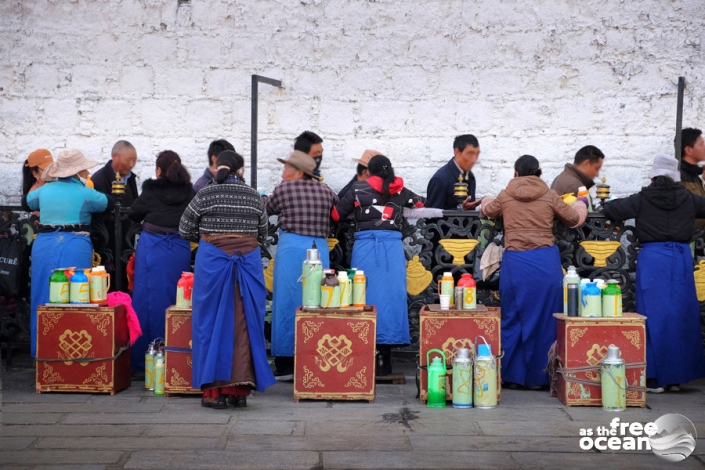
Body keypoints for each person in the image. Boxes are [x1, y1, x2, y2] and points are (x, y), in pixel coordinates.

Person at [179, 150, 275, 409]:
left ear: (217, 167)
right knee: (244, 323)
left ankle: (214, 394)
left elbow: (184, 229)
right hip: (247, 262)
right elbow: (263, 233)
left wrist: (212, 239)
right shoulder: (254, 196)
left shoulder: (205, 194)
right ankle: (239, 392)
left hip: (212, 263)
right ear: (240, 170)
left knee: (210, 323)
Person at [481, 155, 587, 388]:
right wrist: (582, 204)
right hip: (545, 264)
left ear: (516, 173)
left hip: (515, 263)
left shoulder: (506, 194)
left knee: (513, 317)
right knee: (545, 321)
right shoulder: (550, 195)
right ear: (539, 171)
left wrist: (484, 200)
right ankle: (541, 378)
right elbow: (573, 220)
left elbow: (488, 211)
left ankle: (512, 377)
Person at [602, 154, 705, 393]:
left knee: (651, 317)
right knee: (680, 316)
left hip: (653, 259)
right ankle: (676, 378)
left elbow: (612, 210)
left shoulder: (642, 198)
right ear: (676, 176)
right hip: (680, 258)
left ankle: (653, 377)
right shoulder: (688, 198)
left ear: (653, 174)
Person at [332, 155, 425, 375]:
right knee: (392, 298)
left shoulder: (357, 189)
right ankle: (385, 360)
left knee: (363, 294)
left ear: (368, 172)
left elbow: (336, 214)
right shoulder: (400, 190)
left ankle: (365, 355)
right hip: (392, 250)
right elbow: (420, 203)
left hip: (365, 248)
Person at [24, 149, 109, 357]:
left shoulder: (44, 190)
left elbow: (30, 201)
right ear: (78, 171)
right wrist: (85, 184)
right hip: (74, 243)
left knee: (42, 296)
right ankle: (74, 353)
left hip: (44, 244)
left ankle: (42, 354)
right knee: (76, 296)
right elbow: (106, 202)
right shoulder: (84, 192)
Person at [265, 150, 338, 380]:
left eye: (286, 168)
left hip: (292, 249)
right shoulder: (326, 190)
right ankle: (314, 356)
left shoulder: (283, 189)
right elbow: (336, 213)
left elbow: (266, 210)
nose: (283, 172)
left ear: (298, 171)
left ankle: (286, 363)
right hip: (319, 250)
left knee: (286, 302)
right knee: (315, 301)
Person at [128, 151, 195, 372]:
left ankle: (144, 360)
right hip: (178, 247)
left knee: (145, 301)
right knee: (177, 299)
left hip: (152, 248)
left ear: (158, 170)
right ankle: (174, 357)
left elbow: (135, 213)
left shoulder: (151, 189)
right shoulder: (189, 191)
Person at [426, 134, 482, 210]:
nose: (474, 159)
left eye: (476, 154)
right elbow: (431, 216)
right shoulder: (440, 179)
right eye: (470, 154)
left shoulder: (470, 176)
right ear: (457, 152)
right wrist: (460, 209)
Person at [92, 140, 139, 206]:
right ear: (115, 156)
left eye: (134, 160)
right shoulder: (99, 180)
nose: (131, 164)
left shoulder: (130, 177)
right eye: (128, 160)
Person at [677, 128, 705, 228]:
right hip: (689, 239)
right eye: (701, 144)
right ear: (689, 150)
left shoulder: (695, 175)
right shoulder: (678, 176)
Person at [22, 149, 54, 219]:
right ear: (35, 174)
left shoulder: (49, 185)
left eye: (52, 167)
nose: (51, 172)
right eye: (46, 169)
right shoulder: (34, 196)